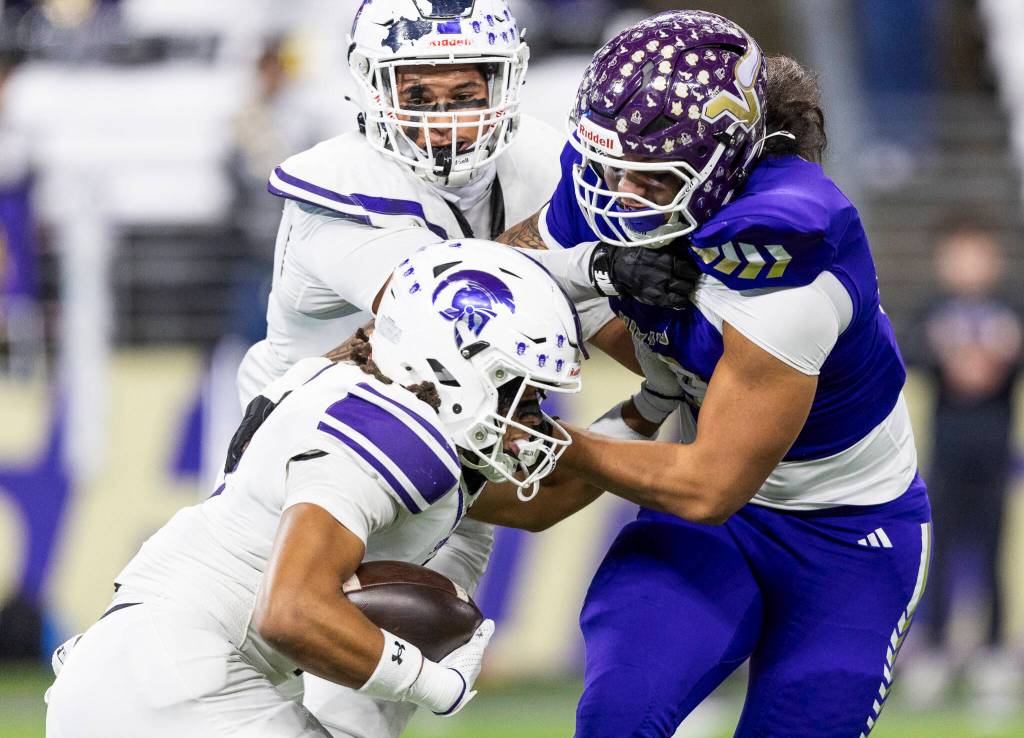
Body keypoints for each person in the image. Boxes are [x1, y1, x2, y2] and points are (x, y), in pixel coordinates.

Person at [507, 10, 932, 737]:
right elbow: (510, 268)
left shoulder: (788, 262)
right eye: (609, 166)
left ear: (720, 162)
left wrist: (556, 443)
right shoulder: (614, 180)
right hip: (715, 521)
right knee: (617, 717)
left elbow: (708, 485)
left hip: (846, 537)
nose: (616, 191)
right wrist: (587, 273)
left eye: (645, 175)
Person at [236, 1, 624, 734]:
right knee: (226, 697)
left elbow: (609, 324)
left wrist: (656, 319)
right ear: (372, 89)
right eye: (417, 94)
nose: (443, 118)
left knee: (353, 720)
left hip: (456, 478)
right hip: (307, 474)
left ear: (502, 83)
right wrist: (596, 263)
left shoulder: (546, 162)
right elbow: (449, 314)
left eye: (463, 93)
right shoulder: (341, 187)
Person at [45, 240, 602, 738]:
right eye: (519, 394)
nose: (530, 418)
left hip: (135, 670)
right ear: (458, 369)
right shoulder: (403, 437)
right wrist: (436, 686)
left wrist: (649, 406)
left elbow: (540, 501)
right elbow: (290, 612)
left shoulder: (347, 384)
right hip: (176, 680)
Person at [909, 223, 1022, 707]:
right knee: (940, 552)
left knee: (995, 553)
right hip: (946, 455)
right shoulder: (931, 312)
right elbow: (908, 353)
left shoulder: (1011, 311)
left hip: (995, 456)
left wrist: (999, 355)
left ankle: (993, 652)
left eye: (979, 256)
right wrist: (947, 353)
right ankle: (933, 651)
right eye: (960, 256)